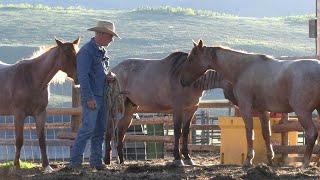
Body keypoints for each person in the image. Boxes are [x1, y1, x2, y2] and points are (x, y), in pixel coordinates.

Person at [70, 20, 119, 170]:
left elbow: (98, 73)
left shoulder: (101, 51)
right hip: (93, 97)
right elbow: (83, 77)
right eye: (110, 36)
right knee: (88, 129)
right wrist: (89, 98)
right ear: (102, 34)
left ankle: (96, 162)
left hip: (102, 96)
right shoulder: (86, 52)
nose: (111, 39)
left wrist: (109, 77)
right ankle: (75, 162)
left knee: (99, 130)